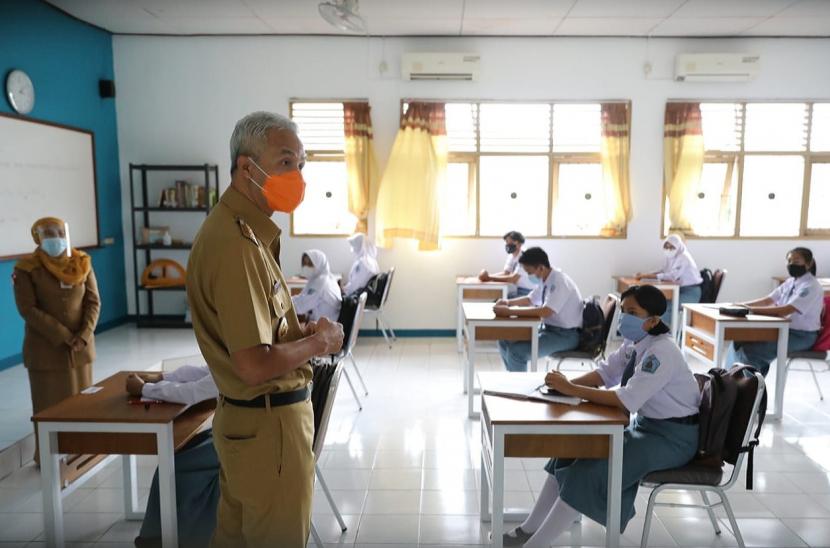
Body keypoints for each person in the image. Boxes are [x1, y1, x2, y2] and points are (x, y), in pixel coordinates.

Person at [186, 111, 344, 547]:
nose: (297, 176)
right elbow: (255, 364)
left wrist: (296, 333)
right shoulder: (236, 246)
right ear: (246, 168)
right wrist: (319, 341)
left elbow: (260, 335)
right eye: (286, 162)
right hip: (269, 429)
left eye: (301, 165)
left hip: (252, 426)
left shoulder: (245, 234)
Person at [503, 285, 701, 547]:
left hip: (673, 439)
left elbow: (627, 399)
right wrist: (563, 385)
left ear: (652, 320)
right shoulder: (636, 342)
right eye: (622, 310)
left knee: (587, 474)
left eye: (632, 312)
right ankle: (529, 529)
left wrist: (572, 389)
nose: (623, 318)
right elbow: (605, 375)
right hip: (646, 427)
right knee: (568, 449)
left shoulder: (661, 352)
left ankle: (535, 544)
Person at [13, 216, 100, 464]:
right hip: (46, 351)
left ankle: (81, 454)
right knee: (48, 405)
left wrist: (83, 335)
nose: (55, 239)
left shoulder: (81, 262)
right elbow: (28, 309)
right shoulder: (27, 268)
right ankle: (49, 459)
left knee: (82, 404)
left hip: (81, 349)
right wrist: (64, 336)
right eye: (49, 234)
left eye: (59, 233)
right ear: (38, 238)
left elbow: (93, 301)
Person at [126, 367, 220, 548]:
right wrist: (161, 377)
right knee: (181, 451)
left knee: (170, 468)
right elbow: (209, 370)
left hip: (242, 440)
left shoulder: (245, 349)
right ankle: (157, 535)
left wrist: (145, 389)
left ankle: (157, 539)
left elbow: (195, 391)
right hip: (230, 432)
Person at [726, 247, 823, 376]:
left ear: (809, 263)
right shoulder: (790, 282)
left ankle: (748, 390)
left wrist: (751, 310)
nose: (792, 264)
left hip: (801, 336)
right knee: (738, 341)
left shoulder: (811, 286)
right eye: (789, 261)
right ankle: (728, 380)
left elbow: (785, 310)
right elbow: (768, 300)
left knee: (750, 352)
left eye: (797, 261)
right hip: (782, 330)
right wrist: (740, 305)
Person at [494, 247, 582, 372]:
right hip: (550, 330)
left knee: (517, 353)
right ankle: (512, 378)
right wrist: (507, 302)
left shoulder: (559, 281)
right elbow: (531, 299)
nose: (529, 276)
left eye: (529, 272)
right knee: (504, 339)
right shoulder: (545, 279)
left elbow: (546, 311)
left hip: (566, 335)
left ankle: (519, 389)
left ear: (541, 267)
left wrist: (510, 312)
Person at [636, 234, 703, 325]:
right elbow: (662, 270)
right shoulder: (670, 257)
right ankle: (654, 330)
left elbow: (672, 276)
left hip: (690, 292)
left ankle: (662, 333)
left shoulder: (684, 257)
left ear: (678, 246)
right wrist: (646, 275)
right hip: (679, 290)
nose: (669, 249)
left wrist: (648, 276)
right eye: (666, 246)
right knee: (659, 304)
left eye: (672, 247)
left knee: (668, 307)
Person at [478, 230, 535, 298]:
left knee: (500, 303)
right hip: (519, 290)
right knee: (498, 299)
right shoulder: (512, 256)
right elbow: (506, 273)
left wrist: (489, 278)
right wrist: (487, 276)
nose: (508, 244)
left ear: (519, 243)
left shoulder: (525, 256)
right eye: (507, 242)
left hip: (529, 292)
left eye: (510, 242)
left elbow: (513, 279)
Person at [293, 249, 342, 323]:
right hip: (326, 324)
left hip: (324, 329)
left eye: (310, 264)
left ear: (319, 264)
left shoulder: (321, 282)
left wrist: (284, 301)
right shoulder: (327, 278)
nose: (307, 267)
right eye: (305, 264)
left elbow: (301, 306)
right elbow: (302, 297)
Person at [342, 232, 379, 296]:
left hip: (357, 295)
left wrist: (344, 291)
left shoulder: (363, 264)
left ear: (359, 246)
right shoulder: (370, 260)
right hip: (361, 293)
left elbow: (357, 285)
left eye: (354, 246)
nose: (353, 250)